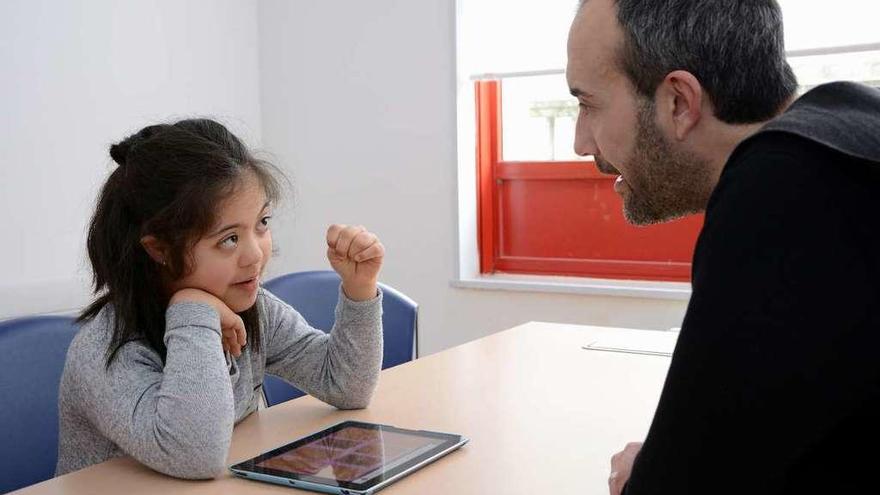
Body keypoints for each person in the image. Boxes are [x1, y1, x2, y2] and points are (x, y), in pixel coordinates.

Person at [566, 0, 880, 493]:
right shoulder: (848, 129)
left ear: (679, 103)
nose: (581, 143)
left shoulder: (785, 183)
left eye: (587, 105)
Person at [55, 118, 387, 479]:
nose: (255, 255)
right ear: (159, 250)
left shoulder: (253, 309)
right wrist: (191, 309)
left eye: (261, 223)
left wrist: (359, 289)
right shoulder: (105, 353)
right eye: (229, 239)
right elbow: (194, 456)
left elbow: (345, 384)